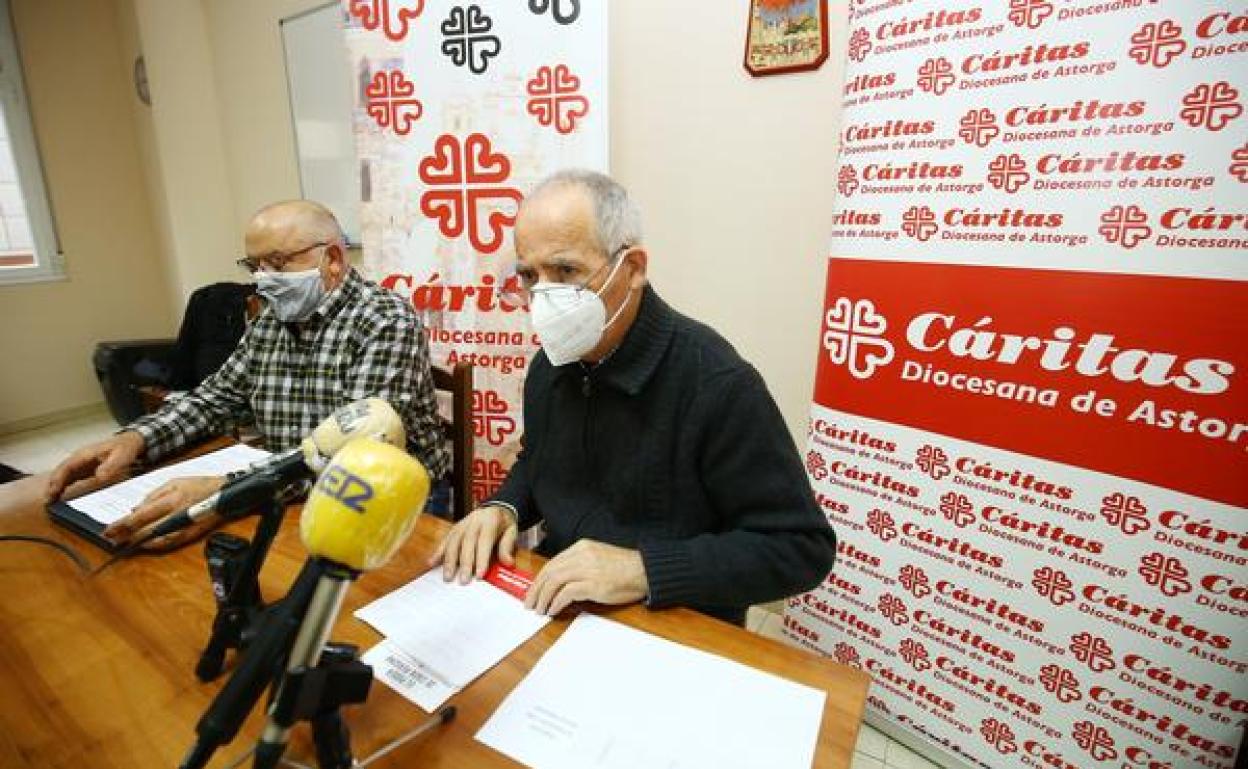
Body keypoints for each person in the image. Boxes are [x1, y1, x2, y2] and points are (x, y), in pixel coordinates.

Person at [430, 170, 835, 625]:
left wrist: (644, 568)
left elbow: (801, 548)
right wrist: (505, 507)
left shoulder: (717, 383)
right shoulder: (549, 367)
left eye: (566, 271)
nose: (543, 295)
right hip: (558, 604)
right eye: (529, 275)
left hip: (674, 621)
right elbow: (540, 460)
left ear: (634, 268)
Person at [45, 200, 449, 548]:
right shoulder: (270, 320)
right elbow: (216, 397)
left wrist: (224, 494)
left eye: (276, 263)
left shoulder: (385, 319)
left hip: (381, 493)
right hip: (287, 486)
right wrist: (137, 437)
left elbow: (355, 457)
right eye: (253, 265)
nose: (262, 280)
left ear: (334, 259)